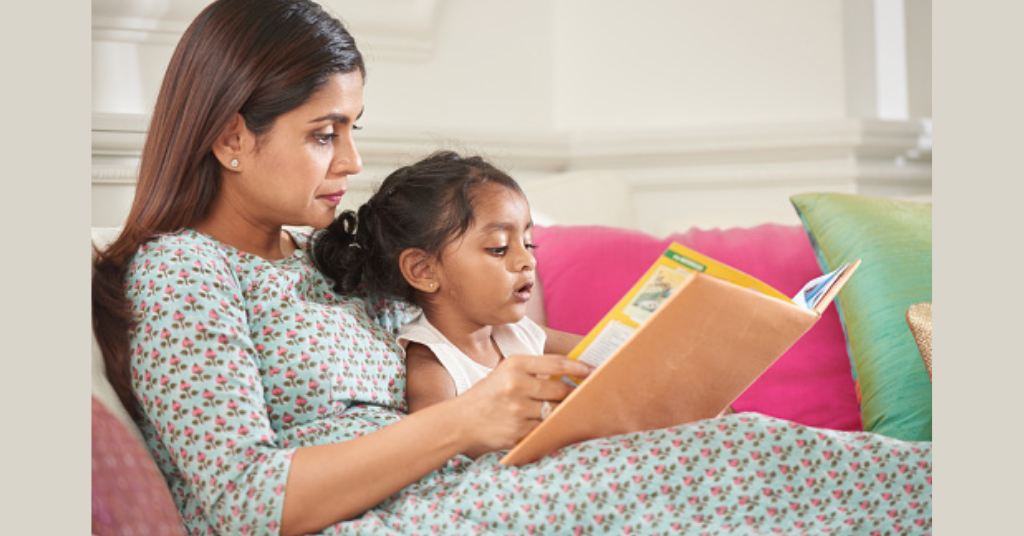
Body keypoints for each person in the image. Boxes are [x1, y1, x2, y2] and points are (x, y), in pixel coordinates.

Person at [91, 0, 933, 534]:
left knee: (721, 439)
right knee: (723, 459)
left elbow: (482, 333)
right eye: (323, 133)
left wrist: (667, 347)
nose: (352, 158)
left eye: (353, 126)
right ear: (232, 136)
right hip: (404, 515)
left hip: (467, 486)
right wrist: (465, 424)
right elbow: (244, 505)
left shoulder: (326, 255)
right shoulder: (182, 274)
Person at [312, 151, 583, 417]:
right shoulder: (431, 363)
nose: (528, 260)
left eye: (528, 243)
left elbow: (604, 353)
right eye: (499, 248)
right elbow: (435, 440)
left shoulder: (520, 332)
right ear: (424, 271)